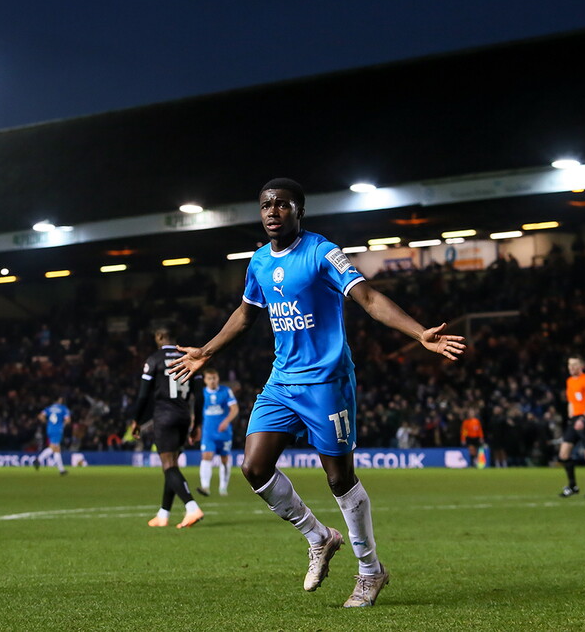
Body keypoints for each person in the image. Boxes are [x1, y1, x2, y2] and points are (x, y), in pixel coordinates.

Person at [167, 178, 465, 608]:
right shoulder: (259, 263)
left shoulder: (323, 252)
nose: (272, 211)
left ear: (299, 211)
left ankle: (370, 570)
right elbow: (247, 314)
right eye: (266, 205)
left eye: (282, 205)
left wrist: (420, 333)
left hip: (327, 383)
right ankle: (319, 536)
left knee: (338, 479)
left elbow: (368, 298)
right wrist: (207, 352)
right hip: (281, 382)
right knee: (254, 467)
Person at [129, 325, 205, 529]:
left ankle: (192, 508)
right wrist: (197, 423)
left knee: (169, 466)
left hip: (164, 416)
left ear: (160, 336)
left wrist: (136, 420)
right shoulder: (189, 357)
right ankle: (164, 513)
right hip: (183, 416)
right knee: (171, 465)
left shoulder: (154, 359)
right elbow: (199, 396)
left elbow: (143, 395)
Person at [559, 356, 585, 498]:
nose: (571, 367)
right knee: (563, 454)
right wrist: (571, 418)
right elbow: (571, 401)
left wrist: (583, 419)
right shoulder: (570, 381)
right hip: (574, 420)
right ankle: (572, 486)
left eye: (575, 365)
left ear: (581, 366)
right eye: (570, 365)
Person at [197, 369, 239, 497]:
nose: (212, 381)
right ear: (205, 380)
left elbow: (234, 409)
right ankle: (205, 487)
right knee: (206, 456)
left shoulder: (226, 391)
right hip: (208, 432)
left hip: (224, 432)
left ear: (218, 378)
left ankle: (223, 487)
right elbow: (197, 413)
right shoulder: (202, 393)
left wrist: (226, 421)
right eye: (209, 378)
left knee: (224, 459)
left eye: (214, 378)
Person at [34, 397, 71, 475]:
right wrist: (63, 425)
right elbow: (68, 420)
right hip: (58, 430)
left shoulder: (49, 408)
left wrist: (47, 422)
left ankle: (61, 470)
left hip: (50, 429)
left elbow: (40, 416)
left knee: (56, 448)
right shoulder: (63, 408)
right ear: (60, 400)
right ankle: (39, 459)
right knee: (54, 447)